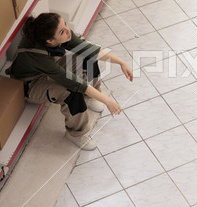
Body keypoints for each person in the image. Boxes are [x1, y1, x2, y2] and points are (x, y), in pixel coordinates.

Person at [7, 13, 133, 151]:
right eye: (62, 31)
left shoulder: (59, 34)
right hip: (31, 84)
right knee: (71, 92)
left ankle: (90, 96)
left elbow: (89, 50)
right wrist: (107, 101)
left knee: (87, 58)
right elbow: (75, 83)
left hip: (49, 68)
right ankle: (76, 134)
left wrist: (121, 62)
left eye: (65, 24)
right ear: (50, 41)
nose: (68, 31)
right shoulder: (37, 55)